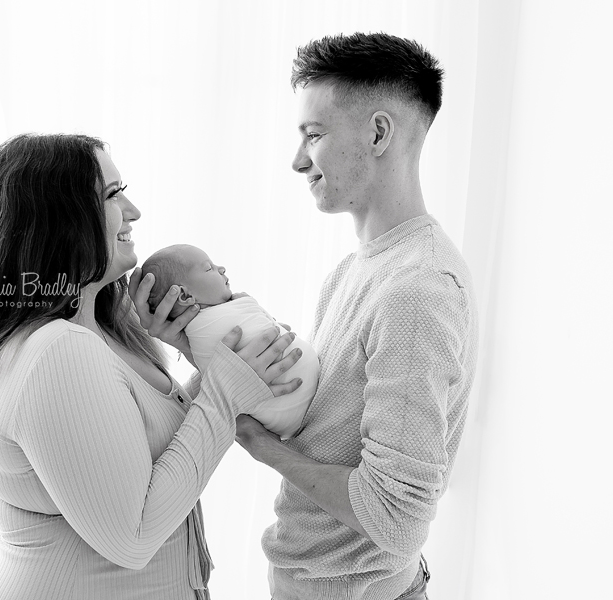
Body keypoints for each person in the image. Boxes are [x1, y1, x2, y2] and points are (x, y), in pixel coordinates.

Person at [131, 33, 479, 600]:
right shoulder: (356, 270)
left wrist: (254, 442)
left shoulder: (417, 289)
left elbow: (396, 519)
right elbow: (314, 423)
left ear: (379, 133)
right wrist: (196, 347)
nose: (297, 161)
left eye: (313, 136)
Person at [0, 133, 303, 600]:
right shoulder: (59, 350)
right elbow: (132, 537)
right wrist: (223, 389)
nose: (133, 210)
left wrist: (208, 363)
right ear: (60, 219)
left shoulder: (100, 332)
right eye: (112, 194)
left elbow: (137, 454)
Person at [141, 243, 319, 439]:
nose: (221, 268)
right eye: (209, 268)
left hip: (290, 414)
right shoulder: (205, 329)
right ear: (185, 295)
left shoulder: (205, 326)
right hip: (291, 401)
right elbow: (220, 377)